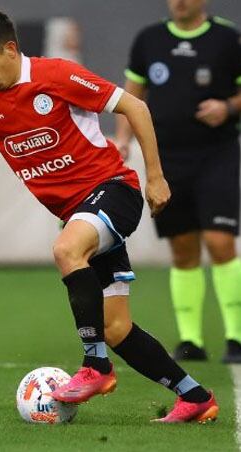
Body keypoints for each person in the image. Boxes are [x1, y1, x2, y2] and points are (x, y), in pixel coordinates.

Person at [0, 8, 218, 423]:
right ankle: (194, 396)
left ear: (10, 49)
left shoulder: (56, 76)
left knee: (66, 249)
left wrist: (156, 177)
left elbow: (136, 108)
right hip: (78, 212)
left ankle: (96, 367)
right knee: (116, 328)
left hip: (113, 191)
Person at [115, 0, 241, 363]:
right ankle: (191, 341)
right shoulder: (149, 40)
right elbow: (131, 95)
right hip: (167, 159)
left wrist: (228, 108)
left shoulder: (227, 38)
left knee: (220, 242)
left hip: (216, 155)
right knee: (183, 248)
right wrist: (122, 138)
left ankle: (235, 337)